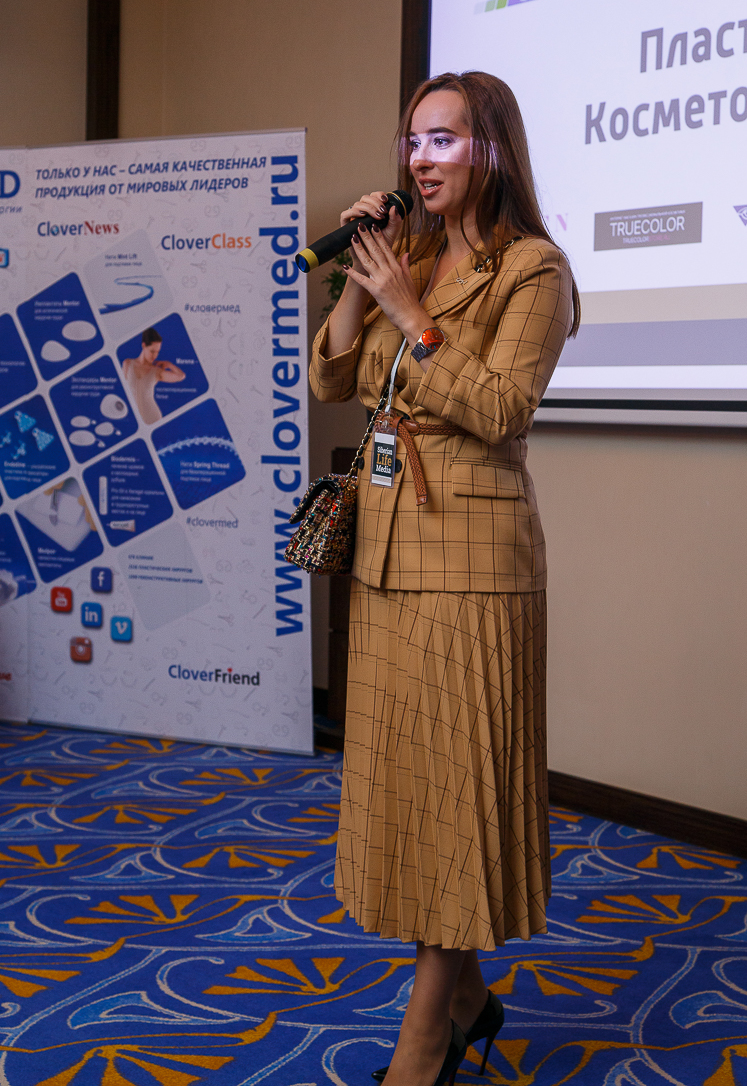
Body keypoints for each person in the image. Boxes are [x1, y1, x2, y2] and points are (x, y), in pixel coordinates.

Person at [308, 71, 579, 1086]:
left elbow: (503, 409)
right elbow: (333, 379)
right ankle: (468, 1003)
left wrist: (409, 310)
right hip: (385, 558)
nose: (420, 158)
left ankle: (424, 1047)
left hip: (473, 566)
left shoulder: (534, 269)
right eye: (413, 140)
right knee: (411, 793)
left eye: (444, 140)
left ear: (491, 150)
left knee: (458, 797)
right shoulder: (406, 255)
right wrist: (361, 279)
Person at [122, 326, 186, 425]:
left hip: (153, 417)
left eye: (157, 352)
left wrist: (169, 364)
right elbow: (123, 392)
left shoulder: (156, 371)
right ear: (143, 346)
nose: (155, 356)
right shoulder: (128, 364)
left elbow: (180, 376)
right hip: (133, 419)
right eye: (152, 351)